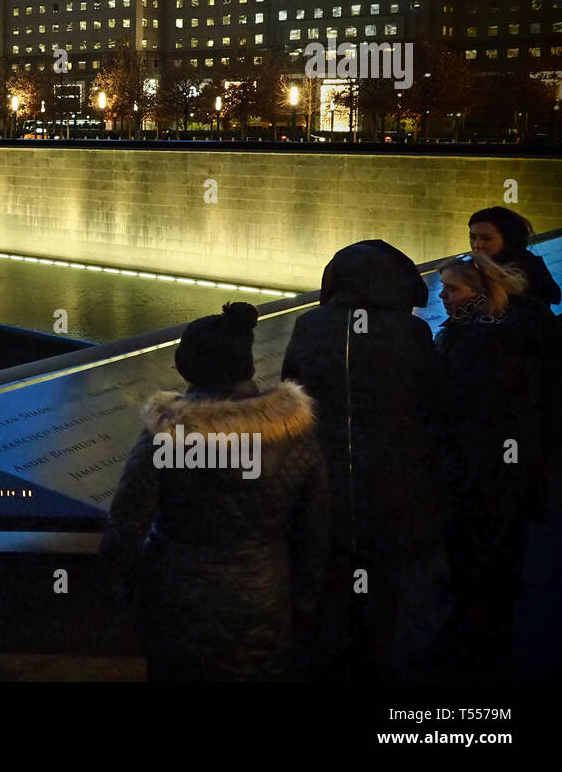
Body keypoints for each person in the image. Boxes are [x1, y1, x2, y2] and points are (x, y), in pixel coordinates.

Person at [101, 302, 329, 681]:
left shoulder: (167, 434)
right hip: (262, 594)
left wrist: (114, 588)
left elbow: (127, 522)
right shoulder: (293, 434)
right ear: (249, 366)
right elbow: (316, 525)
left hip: (176, 597)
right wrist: (303, 597)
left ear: (184, 366)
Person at [281, 240, 450, 679]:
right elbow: (432, 403)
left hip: (326, 477)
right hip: (394, 481)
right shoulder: (412, 333)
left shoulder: (309, 325)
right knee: (384, 584)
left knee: (328, 580)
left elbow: (292, 395)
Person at [432, 254, 548, 677]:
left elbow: (462, 407)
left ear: (478, 294)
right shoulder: (512, 324)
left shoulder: (474, 340)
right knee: (500, 553)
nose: (442, 297)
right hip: (509, 467)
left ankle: (473, 642)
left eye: (452, 289)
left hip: (478, 469)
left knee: (475, 552)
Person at [468, 206, 560, 307]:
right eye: (473, 237)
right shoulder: (471, 266)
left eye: (486, 238)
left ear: (508, 239)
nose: (477, 245)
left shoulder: (529, 266)